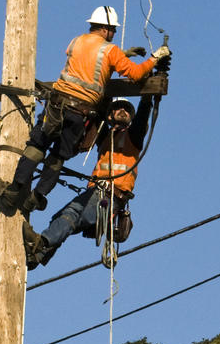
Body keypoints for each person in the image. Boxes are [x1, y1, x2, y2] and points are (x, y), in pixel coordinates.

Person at [0, 6, 169, 214]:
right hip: (80, 113)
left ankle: (14, 191)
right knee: (57, 157)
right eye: (112, 30)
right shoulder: (110, 51)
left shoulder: (76, 41)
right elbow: (135, 73)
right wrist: (155, 58)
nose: (113, 34)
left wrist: (121, 54)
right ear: (105, 29)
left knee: (36, 146)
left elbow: (87, 58)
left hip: (57, 106)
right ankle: (34, 199)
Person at [23, 96, 152, 269]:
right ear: (110, 115)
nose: (123, 111)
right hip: (95, 193)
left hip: (110, 196)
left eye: (127, 109)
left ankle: (41, 244)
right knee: (62, 217)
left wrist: (148, 96)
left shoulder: (134, 136)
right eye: (118, 108)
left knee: (72, 217)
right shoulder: (105, 136)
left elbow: (143, 114)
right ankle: (36, 256)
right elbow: (98, 112)